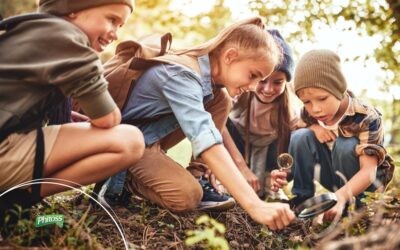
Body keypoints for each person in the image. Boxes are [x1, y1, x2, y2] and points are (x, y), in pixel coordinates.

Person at [103, 17, 295, 230]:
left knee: (220, 99)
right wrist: (255, 205)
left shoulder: (214, 88)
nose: (252, 87)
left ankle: (199, 178)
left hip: (147, 140)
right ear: (230, 56)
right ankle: (118, 180)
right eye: (253, 75)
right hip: (121, 145)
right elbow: (207, 141)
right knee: (186, 196)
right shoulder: (181, 75)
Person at [0, 0, 144, 211]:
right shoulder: (68, 39)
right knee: (130, 140)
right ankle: (16, 201)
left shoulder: (26, 29)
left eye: (120, 26)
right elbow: (109, 119)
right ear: (73, 9)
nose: (115, 34)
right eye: (112, 20)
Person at [271, 49, 395, 222]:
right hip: (335, 178)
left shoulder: (366, 117)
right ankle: (303, 201)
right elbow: (298, 141)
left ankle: (358, 209)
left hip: (366, 184)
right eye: (307, 102)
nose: (315, 109)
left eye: (322, 98)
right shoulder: (310, 115)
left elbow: (369, 171)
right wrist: (285, 174)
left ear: (338, 90)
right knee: (300, 136)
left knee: (345, 145)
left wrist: (340, 197)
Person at [224, 29, 298, 198]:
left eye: (278, 82)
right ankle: (226, 179)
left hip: (271, 156)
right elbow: (216, 125)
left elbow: (302, 136)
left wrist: (282, 172)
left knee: (298, 135)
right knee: (221, 123)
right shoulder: (239, 94)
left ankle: (270, 184)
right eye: (262, 80)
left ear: (286, 82)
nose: (268, 89)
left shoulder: (290, 111)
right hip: (240, 149)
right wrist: (241, 166)